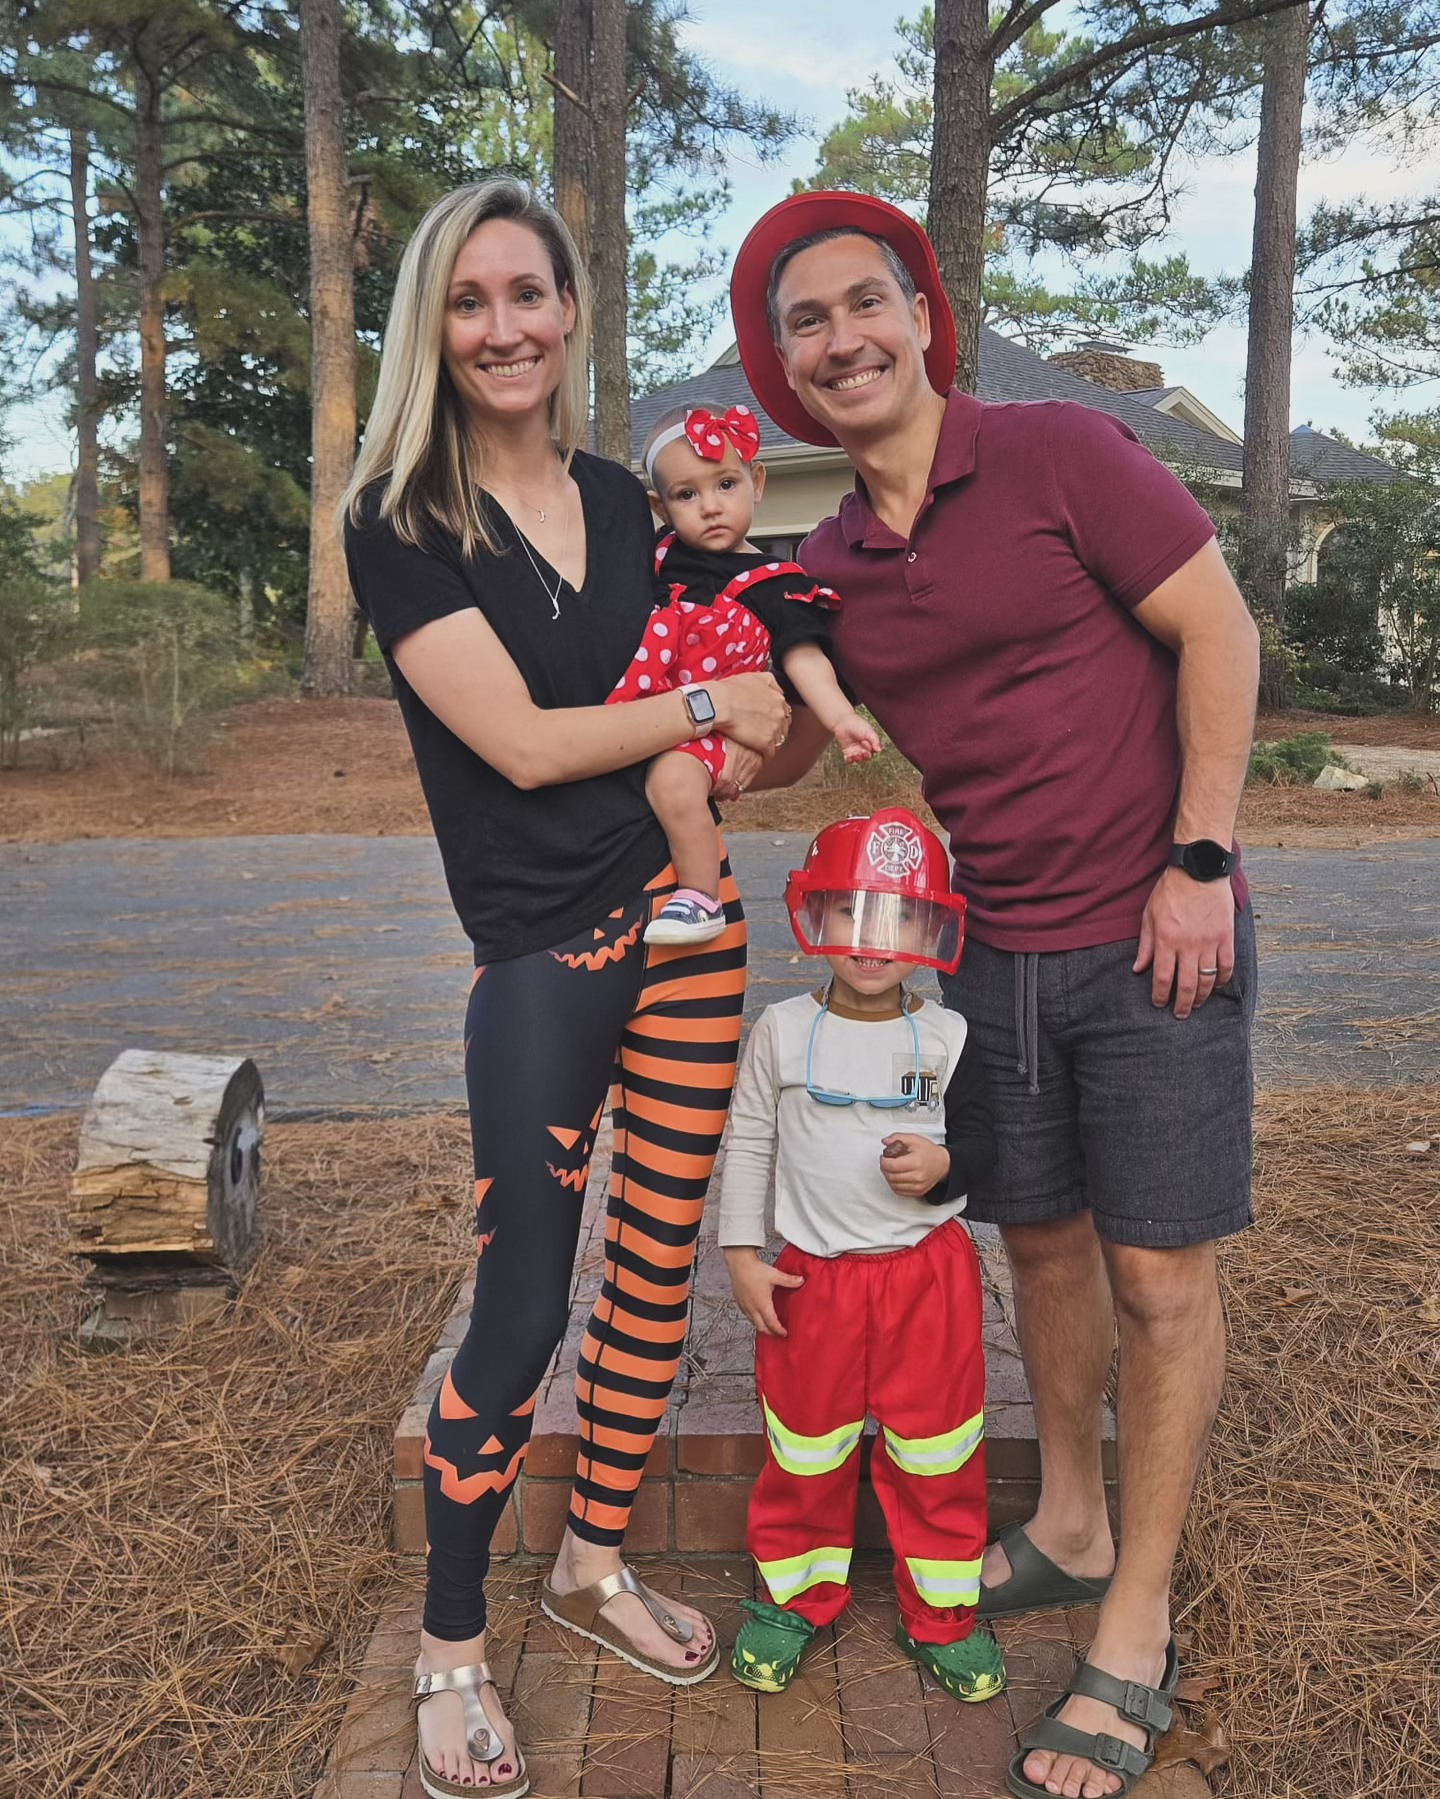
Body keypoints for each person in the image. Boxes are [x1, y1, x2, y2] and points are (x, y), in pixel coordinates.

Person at [729, 191, 1260, 1799]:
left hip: (1155, 925)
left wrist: (1203, 857)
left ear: (921, 313)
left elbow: (1219, 630)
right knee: (1039, 1244)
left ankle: (1135, 1626)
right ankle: (1078, 1517)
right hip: (989, 961)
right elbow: (780, 746)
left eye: (864, 301)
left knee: (1160, 1275)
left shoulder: (1058, 457)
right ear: (782, 365)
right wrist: (691, 649)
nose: (843, 337)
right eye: (806, 322)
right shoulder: (824, 567)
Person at [341, 178, 789, 1799]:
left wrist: (769, 707)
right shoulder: (398, 515)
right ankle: (454, 1639)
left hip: (692, 925)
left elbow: (728, 696)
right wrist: (704, 718)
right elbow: (524, 747)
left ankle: (593, 1560)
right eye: (469, 303)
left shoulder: (631, 498)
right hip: (541, 954)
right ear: (432, 328)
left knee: (656, 1275)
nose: (504, 326)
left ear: (572, 305)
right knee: (526, 1301)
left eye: (528, 292)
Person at [718, 808, 1006, 1705]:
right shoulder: (781, 1029)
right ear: (814, 918)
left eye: (899, 917)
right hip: (816, 1281)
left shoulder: (951, 1038)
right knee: (806, 1447)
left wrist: (947, 1164)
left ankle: (944, 1612)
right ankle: (795, 1596)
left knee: (938, 1450)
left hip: (928, 1280)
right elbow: (752, 1138)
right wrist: (739, 1252)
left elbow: (992, 1145)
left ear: (931, 930)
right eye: (851, 912)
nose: (873, 939)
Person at [609, 401, 880, 946]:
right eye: (687, 495)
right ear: (660, 508)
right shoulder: (654, 560)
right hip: (640, 708)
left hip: (710, 731)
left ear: (756, 482)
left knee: (673, 777)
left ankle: (699, 896)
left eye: (725, 484)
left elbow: (805, 657)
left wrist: (841, 717)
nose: (710, 506)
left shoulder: (774, 582)